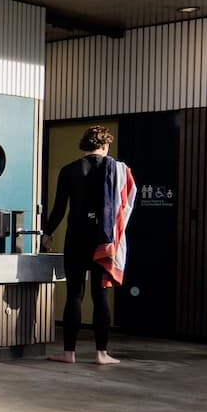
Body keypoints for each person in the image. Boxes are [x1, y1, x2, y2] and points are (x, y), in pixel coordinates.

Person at [42, 125, 137, 365]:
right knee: (100, 295)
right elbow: (125, 204)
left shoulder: (69, 170)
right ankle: (101, 353)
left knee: (75, 293)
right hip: (102, 240)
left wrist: (47, 234)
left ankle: (68, 353)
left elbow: (59, 210)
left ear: (84, 145)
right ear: (105, 146)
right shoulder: (117, 170)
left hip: (76, 238)